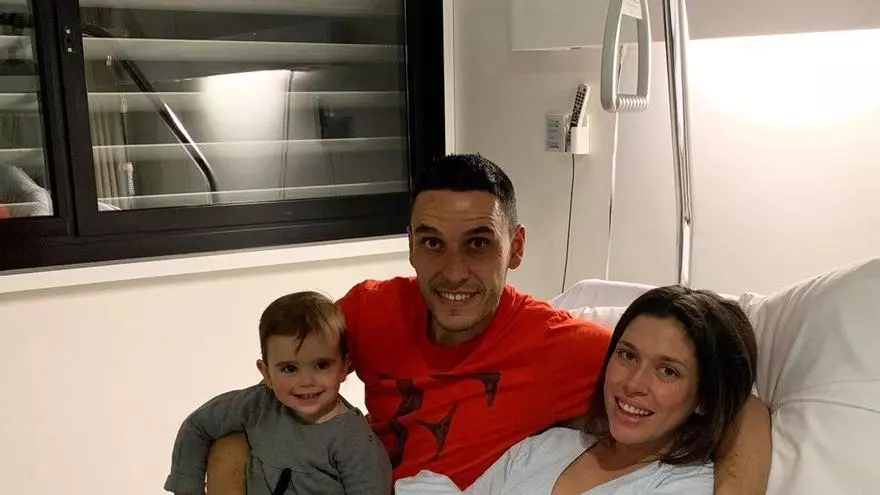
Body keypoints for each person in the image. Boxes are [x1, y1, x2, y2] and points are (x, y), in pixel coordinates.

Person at [202, 154, 771, 494]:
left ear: (515, 248)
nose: (453, 272)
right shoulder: (370, 310)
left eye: (478, 244)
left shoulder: (570, 349)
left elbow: (737, 404)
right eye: (433, 243)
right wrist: (229, 458)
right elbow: (279, 390)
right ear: (411, 247)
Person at [395, 285, 758, 494]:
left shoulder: (685, 487)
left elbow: (750, 410)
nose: (633, 384)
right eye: (628, 355)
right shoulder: (544, 447)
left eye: (667, 371)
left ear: (705, 399)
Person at [163, 291, 392, 495]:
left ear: (344, 367)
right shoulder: (256, 405)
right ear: (267, 374)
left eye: (321, 365)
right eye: (290, 369)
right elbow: (198, 427)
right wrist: (187, 489)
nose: (306, 382)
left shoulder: (355, 443)